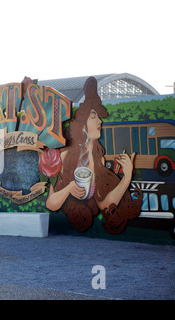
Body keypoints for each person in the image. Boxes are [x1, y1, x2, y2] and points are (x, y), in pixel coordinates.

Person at [45, 77, 141, 234]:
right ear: (82, 126)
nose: (100, 122)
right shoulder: (65, 157)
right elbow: (51, 203)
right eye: (94, 117)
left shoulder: (99, 159)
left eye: (99, 117)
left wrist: (127, 177)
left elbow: (105, 205)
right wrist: (69, 188)